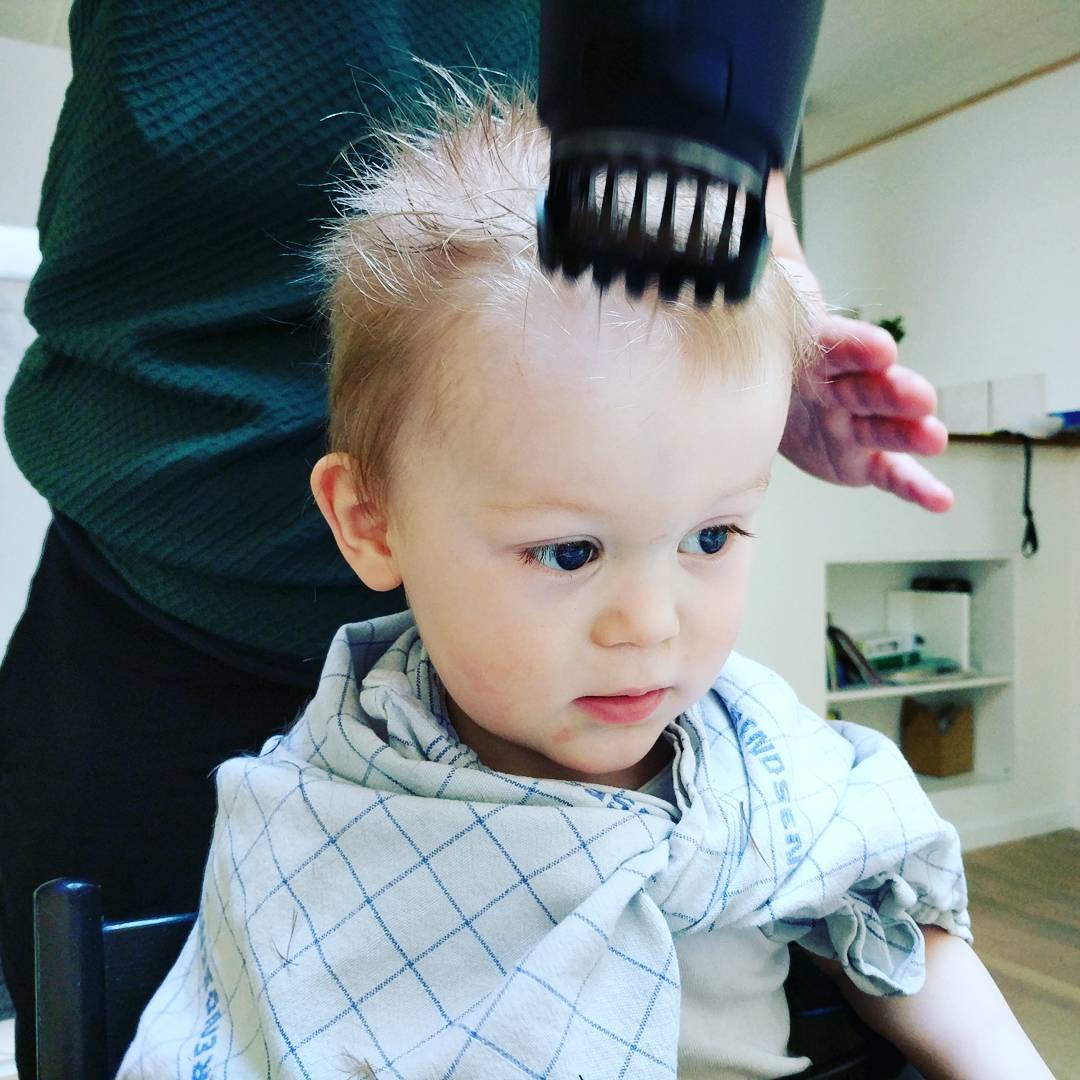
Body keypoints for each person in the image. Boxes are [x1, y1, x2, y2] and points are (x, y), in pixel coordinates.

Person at [0, 4, 951, 1076]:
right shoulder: (285, 822)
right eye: (570, 552)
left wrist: (764, 324)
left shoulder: (745, 747)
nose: (651, 630)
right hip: (149, 619)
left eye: (713, 535)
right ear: (366, 519)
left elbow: (900, 921)